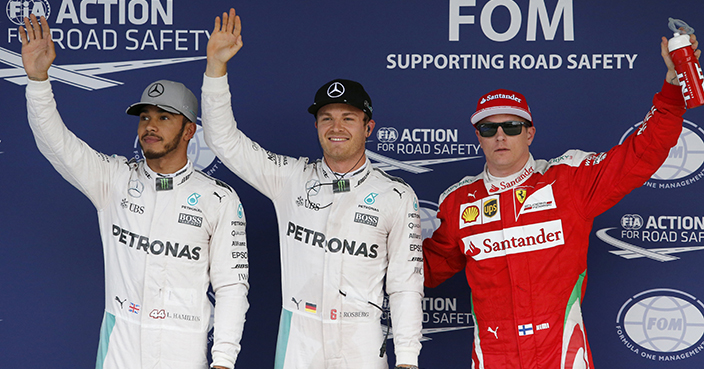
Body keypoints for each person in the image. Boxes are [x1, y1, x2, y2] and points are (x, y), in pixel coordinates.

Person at [422, 32, 699, 368]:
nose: (500, 137)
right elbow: (422, 272)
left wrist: (672, 91)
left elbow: (640, 154)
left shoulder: (569, 180)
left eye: (511, 127)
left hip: (562, 355)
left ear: (530, 133)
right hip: (494, 358)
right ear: (477, 137)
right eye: (487, 129)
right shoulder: (459, 202)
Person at [20, 14, 249, 369]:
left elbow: (232, 288)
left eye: (164, 117)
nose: (150, 126)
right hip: (119, 349)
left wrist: (223, 361)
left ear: (189, 131)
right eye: (145, 117)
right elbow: (56, 143)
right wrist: (37, 80)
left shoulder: (218, 199)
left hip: (183, 351)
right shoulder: (112, 179)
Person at [200, 8, 423, 369]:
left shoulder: (395, 196)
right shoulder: (289, 177)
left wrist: (408, 360)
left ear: (368, 127)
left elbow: (405, 284)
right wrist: (215, 68)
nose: (336, 127)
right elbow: (223, 141)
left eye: (348, 118)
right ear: (317, 125)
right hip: (298, 336)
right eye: (326, 118)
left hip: (361, 340)